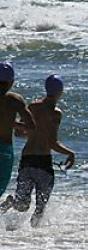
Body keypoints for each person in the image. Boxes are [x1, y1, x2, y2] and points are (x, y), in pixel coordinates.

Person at [0, 75, 75, 227]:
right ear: (60, 92)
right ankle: (36, 242)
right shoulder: (56, 114)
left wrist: (32, 133)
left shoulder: (32, 107)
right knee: (40, 208)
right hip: (43, 163)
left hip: (27, 160)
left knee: (22, 205)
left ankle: (9, 203)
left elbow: (19, 133)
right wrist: (70, 153)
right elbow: (52, 143)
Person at [0, 61, 36, 197]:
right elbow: (31, 126)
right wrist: (13, 124)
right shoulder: (15, 99)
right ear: (11, 81)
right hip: (4, 150)